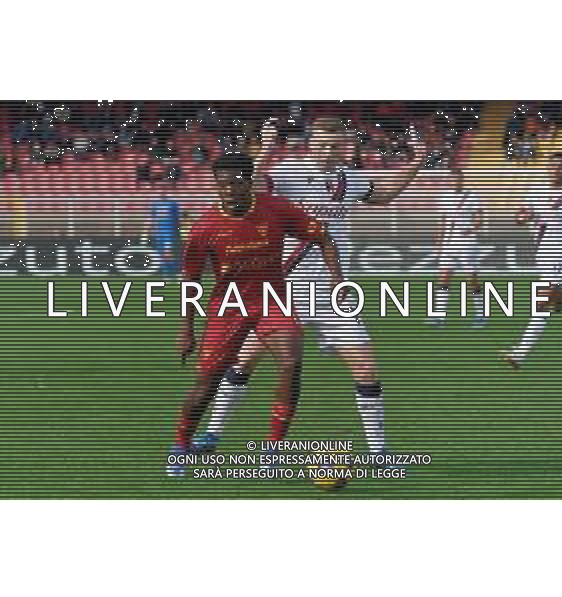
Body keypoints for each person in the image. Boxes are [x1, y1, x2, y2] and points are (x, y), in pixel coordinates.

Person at [194, 117, 427, 455]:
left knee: (366, 368)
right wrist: (267, 147)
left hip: (334, 292)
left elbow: (387, 194)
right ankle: (212, 435)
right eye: (320, 143)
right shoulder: (288, 172)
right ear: (310, 143)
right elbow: (251, 184)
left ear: (345, 146)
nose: (326, 149)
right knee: (244, 362)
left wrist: (418, 161)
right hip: (283, 289)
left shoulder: (353, 179)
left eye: (334, 144)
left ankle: (379, 453)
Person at [167, 152, 343, 476]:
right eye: (222, 185)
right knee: (207, 385)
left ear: (250, 182)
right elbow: (190, 282)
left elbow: (323, 237)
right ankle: (180, 445)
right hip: (228, 308)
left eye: (236, 183)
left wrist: (337, 281)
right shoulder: (204, 227)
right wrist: (186, 329)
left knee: (291, 364)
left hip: (274, 302)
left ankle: (272, 448)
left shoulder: (276, 208)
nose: (229, 190)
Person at [502, 153, 562, 368]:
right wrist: (522, 218)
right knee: (554, 300)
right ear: (548, 168)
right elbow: (520, 216)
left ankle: (519, 354)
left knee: (543, 300)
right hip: (542, 251)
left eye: (561, 166)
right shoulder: (535, 191)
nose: (556, 169)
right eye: (553, 165)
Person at [429, 167, 486, 327]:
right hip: (448, 243)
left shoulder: (472, 196)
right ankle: (439, 316)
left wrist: (470, 229)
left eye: (458, 178)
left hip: (467, 243)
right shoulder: (444, 197)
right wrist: (438, 244)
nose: (455, 181)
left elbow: (479, 219)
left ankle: (480, 314)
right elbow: (441, 222)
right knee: (443, 278)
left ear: (462, 179)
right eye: (452, 178)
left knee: (471, 280)